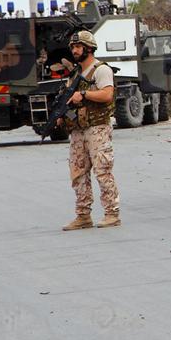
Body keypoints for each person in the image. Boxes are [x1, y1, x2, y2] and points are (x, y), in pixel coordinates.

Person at [60, 30, 121, 231]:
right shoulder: (75, 73)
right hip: (78, 129)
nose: (75, 50)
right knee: (78, 173)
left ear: (89, 48)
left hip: (97, 128)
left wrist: (84, 93)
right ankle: (83, 215)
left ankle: (112, 213)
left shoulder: (101, 70)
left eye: (78, 47)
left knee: (102, 170)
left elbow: (107, 95)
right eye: (73, 47)